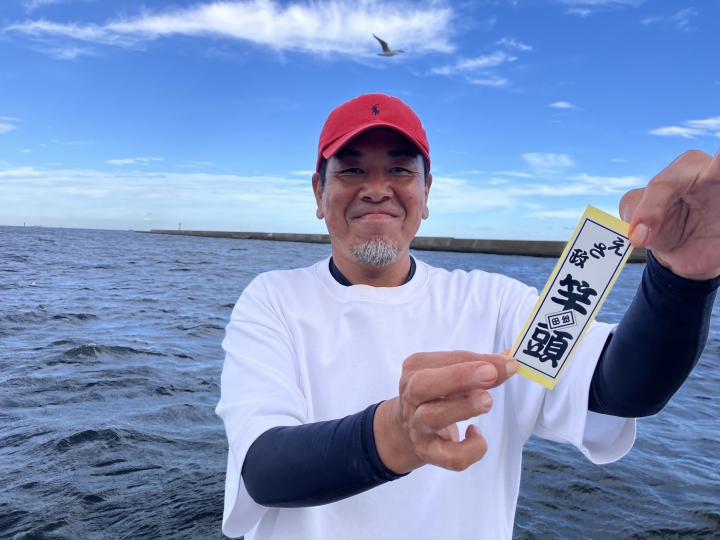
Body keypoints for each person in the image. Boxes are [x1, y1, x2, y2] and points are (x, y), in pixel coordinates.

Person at [215, 94, 719, 539]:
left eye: (400, 170)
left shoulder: (495, 302)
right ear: (318, 193)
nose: (377, 189)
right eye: (351, 170)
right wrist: (397, 433)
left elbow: (621, 387)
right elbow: (264, 469)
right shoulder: (273, 299)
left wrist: (683, 280)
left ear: (426, 194)